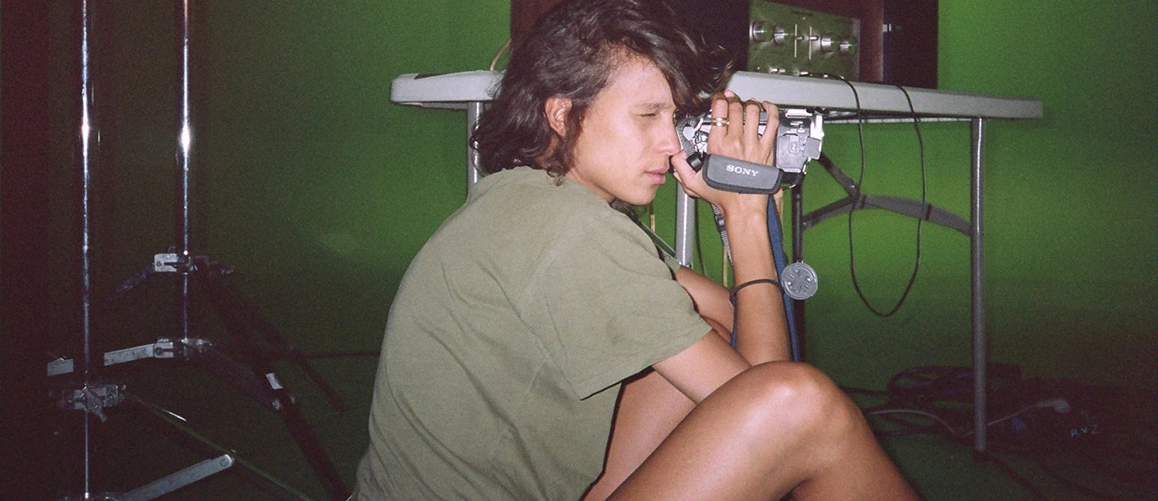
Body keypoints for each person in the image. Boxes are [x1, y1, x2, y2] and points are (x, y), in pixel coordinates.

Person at [354, 0, 919, 499]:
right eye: (648, 115)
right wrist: (747, 217)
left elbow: (728, 317)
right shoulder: (569, 231)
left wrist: (742, 210)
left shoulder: (532, 202)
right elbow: (774, 412)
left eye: (674, 117)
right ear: (562, 114)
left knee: (704, 335)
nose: (671, 143)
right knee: (803, 404)